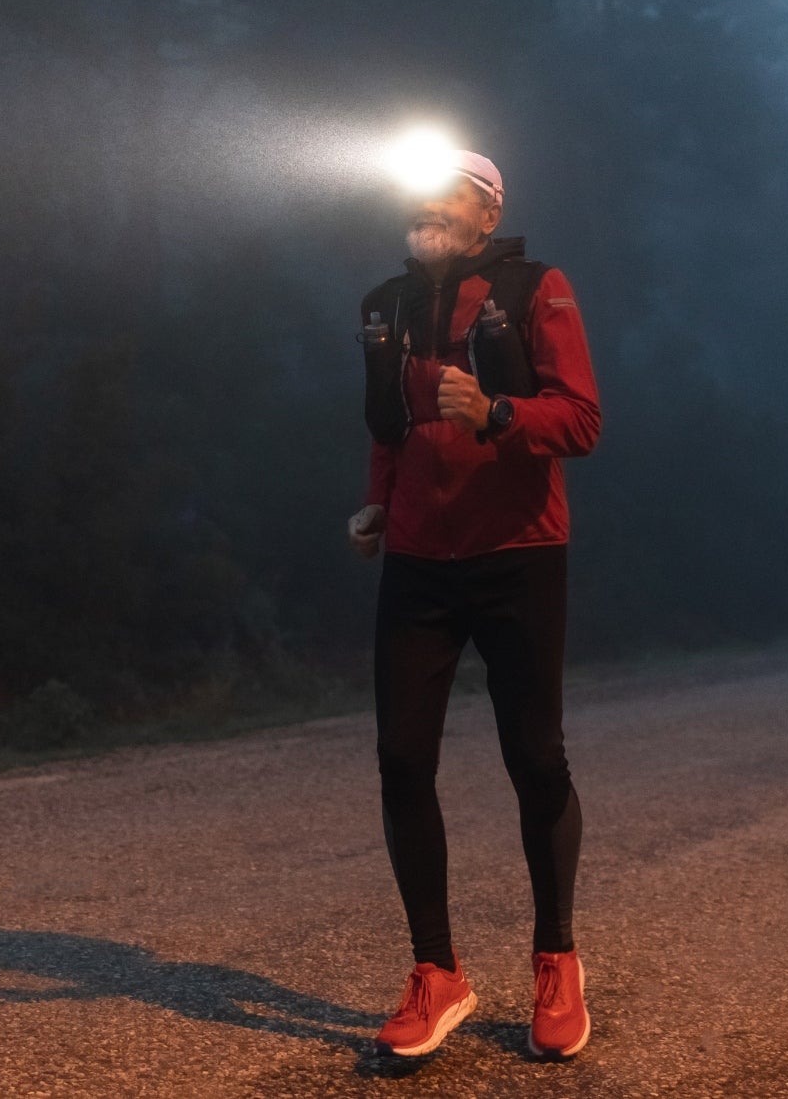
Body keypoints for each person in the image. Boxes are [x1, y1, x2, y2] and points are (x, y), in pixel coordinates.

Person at [348, 149, 601, 1060]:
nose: (427, 207)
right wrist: (379, 503)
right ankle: (437, 972)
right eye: (417, 195)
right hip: (420, 560)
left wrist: (497, 412)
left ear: (489, 214)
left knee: (535, 756)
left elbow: (582, 420)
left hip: (518, 553)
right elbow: (390, 425)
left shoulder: (536, 287)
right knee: (401, 758)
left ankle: (557, 960)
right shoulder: (385, 304)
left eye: (448, 195)